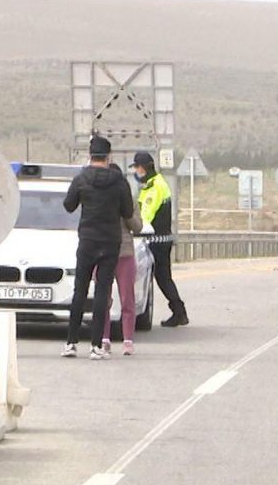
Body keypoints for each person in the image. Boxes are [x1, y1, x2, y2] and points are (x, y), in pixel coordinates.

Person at [62, 135, 136, 359]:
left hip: (87, 240)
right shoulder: (119, 180)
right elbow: (128, 212)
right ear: (109, 156)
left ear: (90, 155)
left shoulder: (81, 178)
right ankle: (96, 346)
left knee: (80, 291)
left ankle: (71, 343)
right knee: (102, 292)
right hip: (111, 242)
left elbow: (68, 205)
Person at [132, 152, 188, 327]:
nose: (135, 171)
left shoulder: (155, 187)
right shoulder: (151, 184)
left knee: (160, 277)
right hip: (159, 239)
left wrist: (134, 228)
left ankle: (179, 312)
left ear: (142, 167)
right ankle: (179, 312)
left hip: (157, 240)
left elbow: (146, 216)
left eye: (136, 167)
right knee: (163, 277)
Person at [99, 164, 145, 356]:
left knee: (127, 298)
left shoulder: (130, 201)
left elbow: (138, 226)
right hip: (102, 252)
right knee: (103, 298)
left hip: (124, 252)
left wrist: (126, 212)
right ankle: (104, 338)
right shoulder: (99, 200)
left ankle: (127, 340)